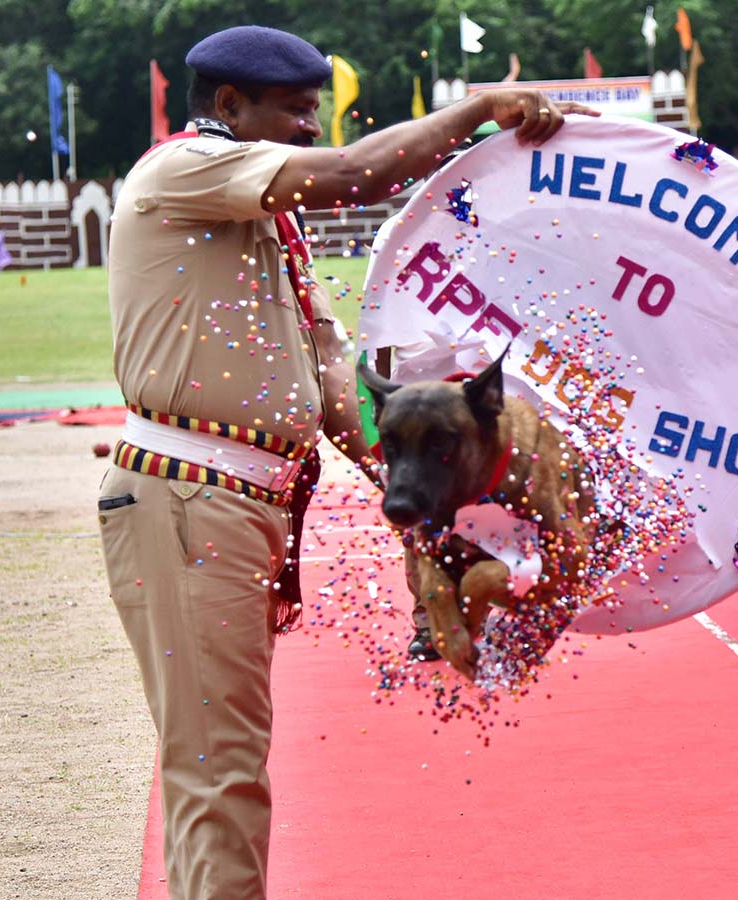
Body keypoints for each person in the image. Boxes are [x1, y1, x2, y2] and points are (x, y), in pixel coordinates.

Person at [98, 24, 595, 899]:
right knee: (219, 773)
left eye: (313, 111)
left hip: (235, 505)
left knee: (223, 768)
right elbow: (352, 174)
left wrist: (437, 494)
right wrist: (479, 111)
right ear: (226, 108)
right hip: (190, 500)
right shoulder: (182, 170)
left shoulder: (261, 232)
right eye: (294, 111)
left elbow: (335, 386)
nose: (309, 129)